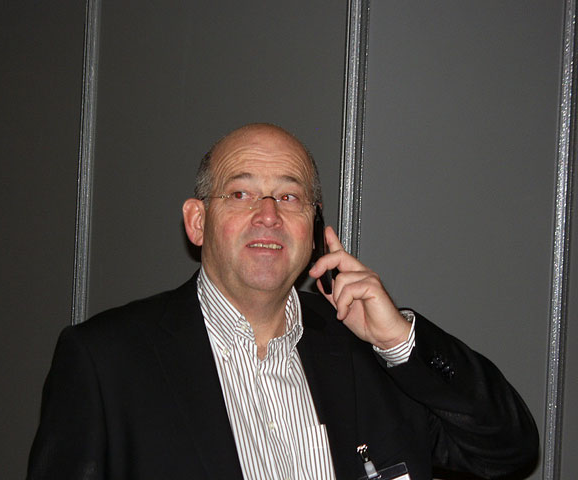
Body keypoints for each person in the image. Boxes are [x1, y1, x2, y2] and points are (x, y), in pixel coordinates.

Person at [27, 123, 538, 480]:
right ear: (197, 222)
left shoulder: (369, 354)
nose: (269, 215)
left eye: (289, 197)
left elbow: (507, 451)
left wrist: (399, 341)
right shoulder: (105, 361)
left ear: (313, 229)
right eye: (240, 194)